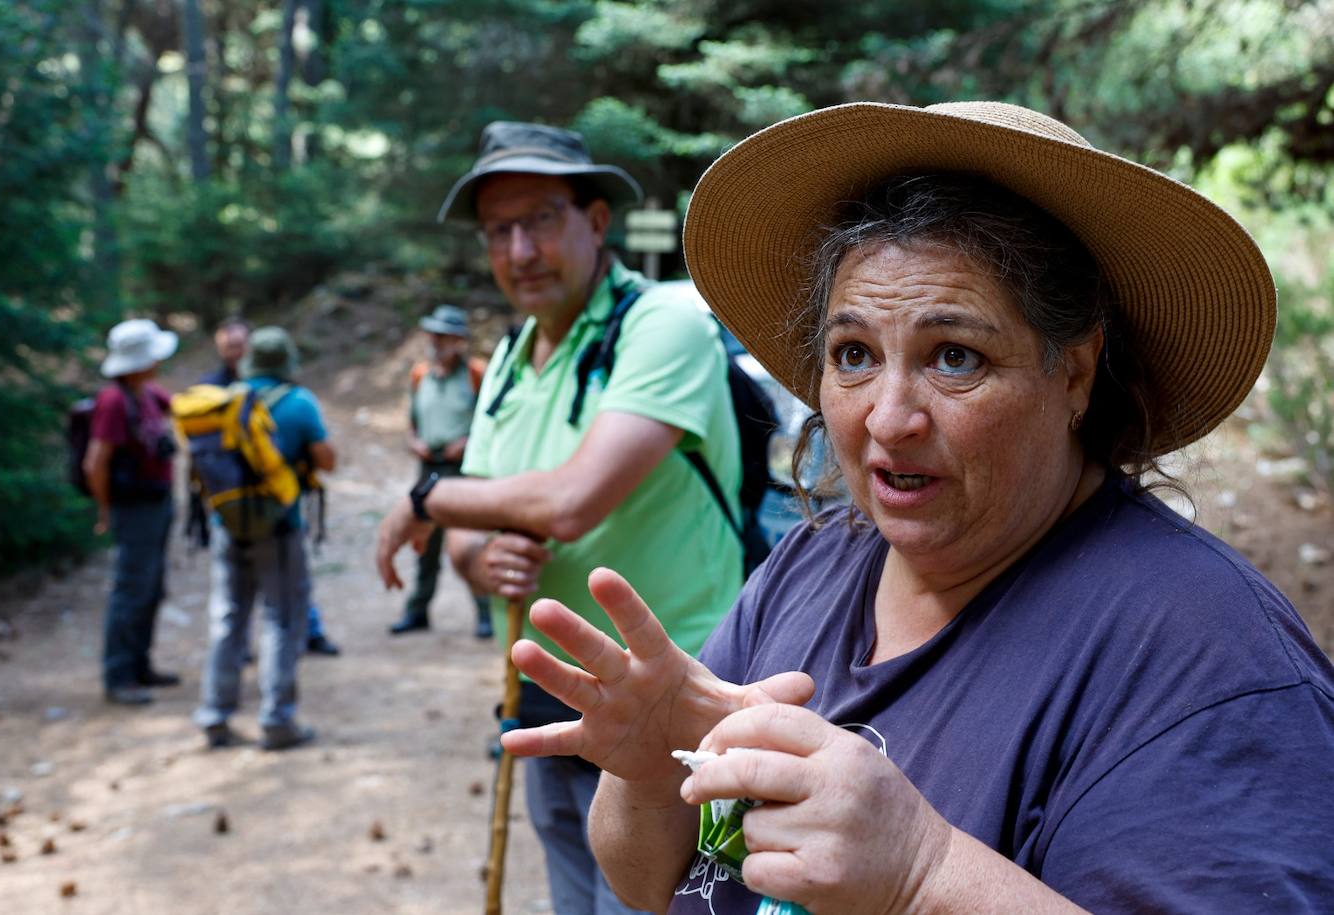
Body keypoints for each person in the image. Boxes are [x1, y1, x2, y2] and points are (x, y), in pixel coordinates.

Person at [498, 101, 1334, 913]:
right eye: (854, 353)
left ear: (1075, 373)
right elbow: (652, 884)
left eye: (955, 356)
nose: (888, 418)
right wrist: (649, 776)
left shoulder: (1209, 660)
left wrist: (924, 874)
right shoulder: (815, 562)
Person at [374, 121, 744, 914]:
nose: (520, 251)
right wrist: (478, 560)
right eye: (497, 231)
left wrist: (423, 499)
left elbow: (572, 501)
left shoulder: (663, 325)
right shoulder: (510, 359)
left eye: (540, 219)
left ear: (597, 220)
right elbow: (475, 527)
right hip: (549, 708)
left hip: (671, 714)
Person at [193, 327, 336, 750]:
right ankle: (277, 721)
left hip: (228, 524)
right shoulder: (299, 403)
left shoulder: (227, 399)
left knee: (228, 618)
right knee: (282, 618)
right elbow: (327, 460)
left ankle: (214, 715)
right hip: (279, 526)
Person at [84, 319, 181, 706]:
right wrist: (105, 510)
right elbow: (96, 462)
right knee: (131, 590)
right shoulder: (113, 401)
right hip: (134, 508)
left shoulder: (147, 393)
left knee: (151, 587)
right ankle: (119, 676)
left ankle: (140, 665)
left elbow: (182, 409)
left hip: (157, 502)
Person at [389, 304, 494, 638]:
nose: (436, 341)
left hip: (464, 468)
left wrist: (468, 442)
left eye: (444, 335)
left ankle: (485, 613)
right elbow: (412, 421)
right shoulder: (420, 375)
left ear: (458, 340)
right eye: (433, 334)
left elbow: (492, 420)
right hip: (428, 466)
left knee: (471, 539)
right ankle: (418, 611)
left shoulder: (476, 374)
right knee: (425, 539)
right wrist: (413, 441)